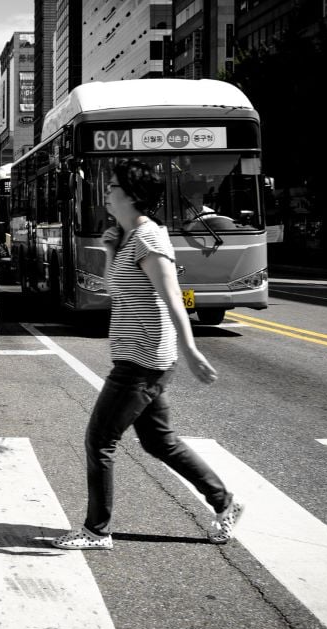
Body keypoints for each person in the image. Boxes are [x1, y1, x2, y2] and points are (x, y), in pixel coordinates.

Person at [51, 160, 243, 551]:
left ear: (133, 195)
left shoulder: (149, 238)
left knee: (99, 441)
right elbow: (115, 290)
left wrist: (191, 349)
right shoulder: (127, 236)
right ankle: (225, 503)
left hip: (143, 359)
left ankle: (96, 530)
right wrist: (108, 248)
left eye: (114, 186)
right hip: (141, 356)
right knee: (160, 442)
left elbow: (172, 296)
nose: (107, 191)